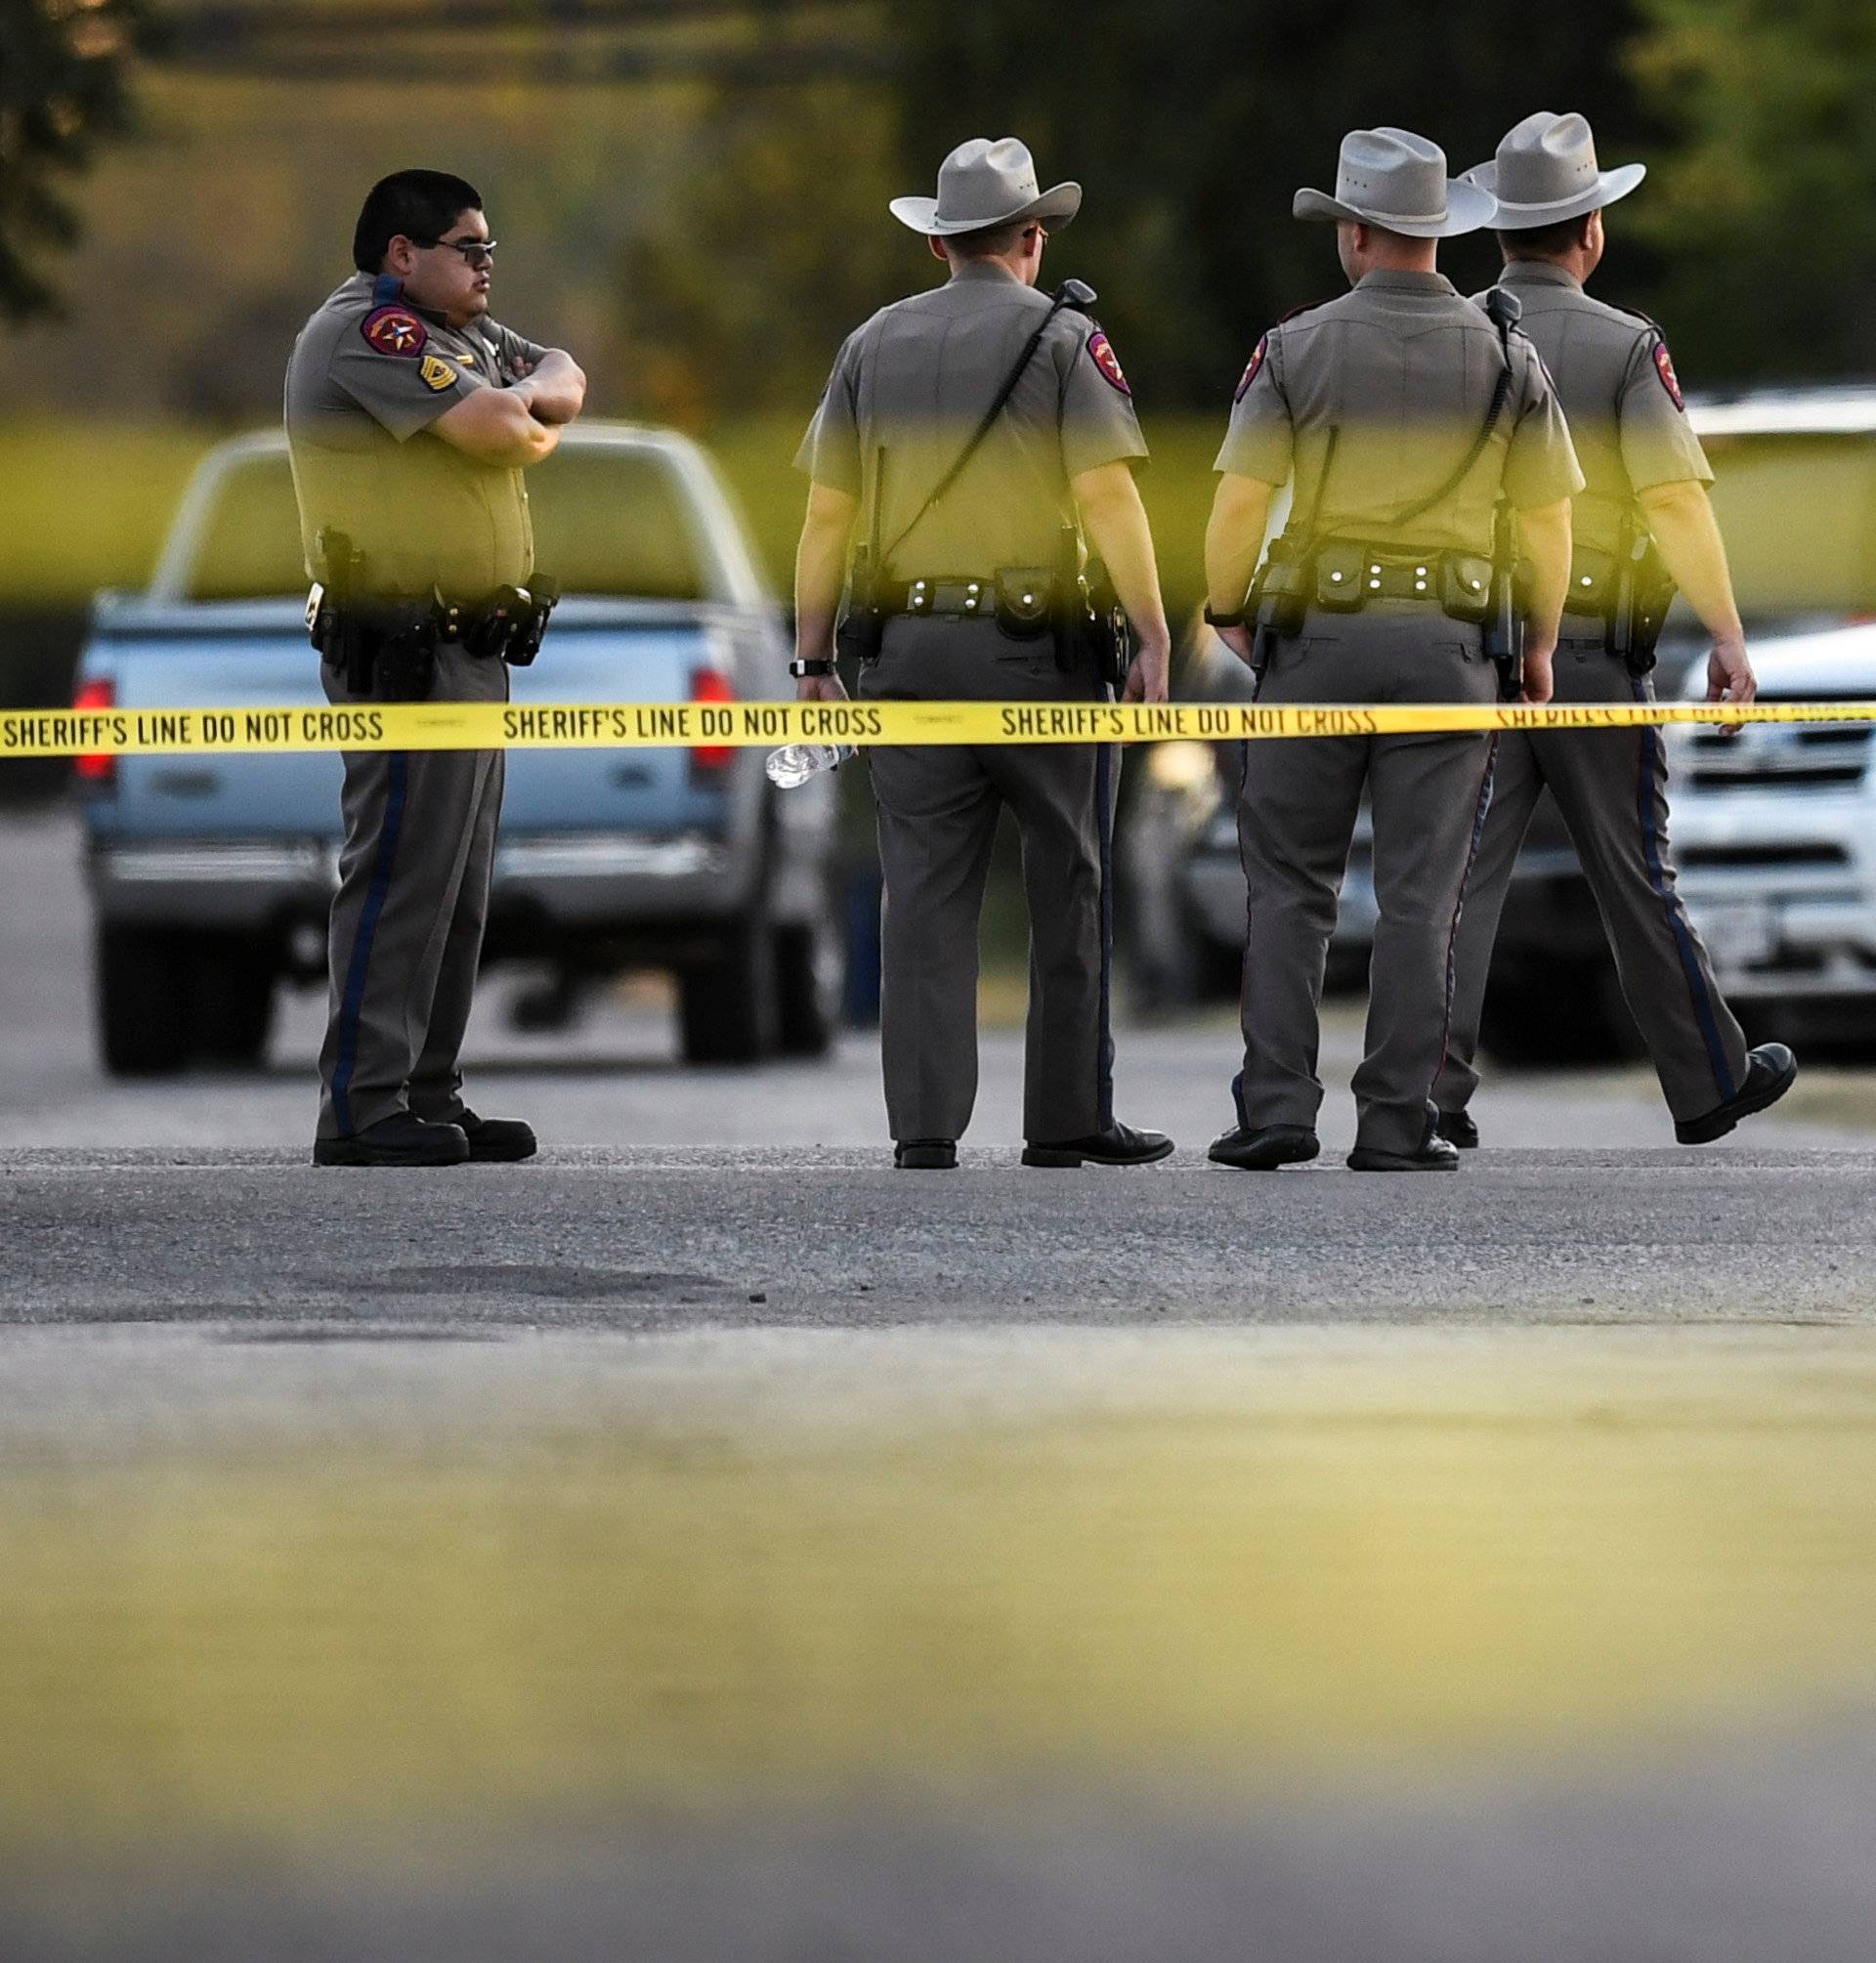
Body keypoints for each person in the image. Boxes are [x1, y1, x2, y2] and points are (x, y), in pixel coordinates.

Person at [1202, 127, 1582, 1173]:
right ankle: (1396, 1118)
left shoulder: (1293, 348)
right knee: (1424, 891)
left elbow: (1238, 504)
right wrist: (1538, 647)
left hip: (1315, 638)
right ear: (1434, 232)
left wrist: (1230, 607)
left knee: (1289, 884)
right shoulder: (1508, 352)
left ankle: (1277, 1106)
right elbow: (1549, 523)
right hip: (1454, 648)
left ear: (1356, 232)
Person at [791, 137, 1175, 1171]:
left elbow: (827, 519)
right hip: (1039, 659)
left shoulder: (869, 345)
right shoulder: (1066, 341)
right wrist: (1150, 627)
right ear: (1033, 237)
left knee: (920, 893)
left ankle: (924, 1126)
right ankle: (1065, 1118)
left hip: (906, 654)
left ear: (938, 246)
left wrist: (811, 661)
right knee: (1070, 878)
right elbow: (1108, 496)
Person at [1437, 111, 1796, 1148]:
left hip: (1469, 656)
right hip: (1592, 653)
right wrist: (1727, 634)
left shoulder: (1456, 334)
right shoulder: (1626, 345)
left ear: (1499, 229)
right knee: (1636, 872)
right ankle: (1708, 1077)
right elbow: (1676, 502)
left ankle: (1426, 1089)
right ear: (1590, 229)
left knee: (1454, 881)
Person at [285, 169, 585, 1167]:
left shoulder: (460, 336)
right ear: (402, 254)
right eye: (469, 247)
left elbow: (565, 374)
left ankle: (426, 1088)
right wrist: (523, 405)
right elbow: (506, 428)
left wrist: (527, 394)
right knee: (400, 876)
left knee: (457, 887)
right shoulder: (371, 333)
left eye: (490, 247)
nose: (487, 263)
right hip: (403, 653)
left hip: (472, 648)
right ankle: (361, 1104)